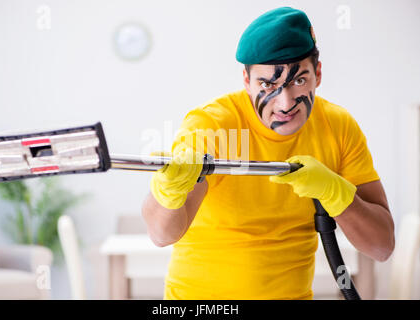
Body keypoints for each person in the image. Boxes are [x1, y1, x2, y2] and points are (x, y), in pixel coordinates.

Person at [141, 7, 395, 300]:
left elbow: (382, 246)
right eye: (267, 84)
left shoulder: (338, 127)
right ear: (247, 81)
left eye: (299, 81)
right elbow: (161, 235)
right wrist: (169, 191)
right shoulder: (213, 125)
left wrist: (337, 193)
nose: (285, 103)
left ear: (318, 74)